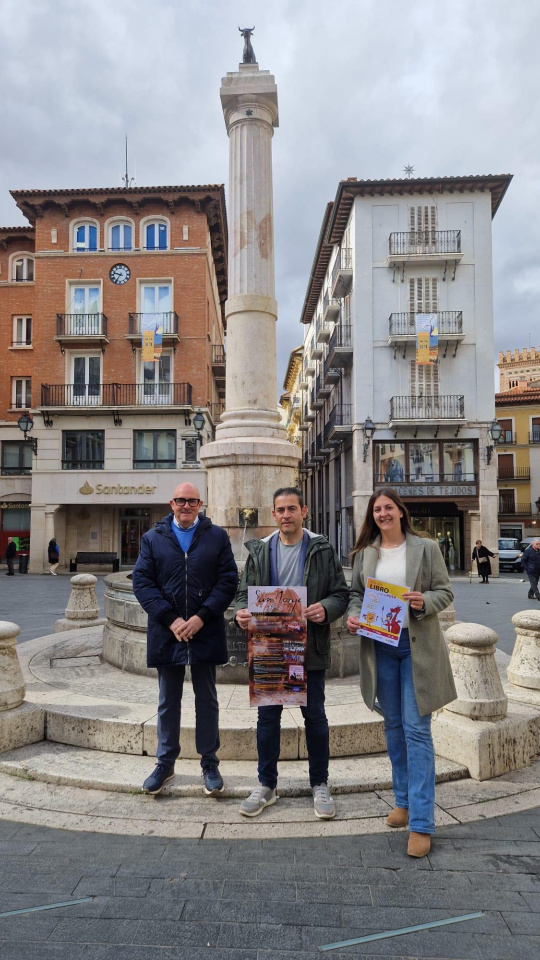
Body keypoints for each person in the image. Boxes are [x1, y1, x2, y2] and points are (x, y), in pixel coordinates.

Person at [346, 487, 455, 859]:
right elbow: (356, 594)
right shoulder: (366, 553)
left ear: (401, 511)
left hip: (415, 647)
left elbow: (445, 592)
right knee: (393, 725)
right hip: (381, 647)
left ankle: (421, 823)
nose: (383, 514)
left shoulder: (426, 548)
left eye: (388, 507)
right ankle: (403, 801)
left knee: (416, 729)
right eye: (377, 509)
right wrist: (354, 616)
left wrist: (424, 601)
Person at [234, 486, 349, 820]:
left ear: (304, 511)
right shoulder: (260, 550)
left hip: (308, 645)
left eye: (292, 509)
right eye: (281, 510)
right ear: (274, 514)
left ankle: (320, 784)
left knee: (315, 717)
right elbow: (242, 594)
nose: (286, 515)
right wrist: (241, 612)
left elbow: (340, 594)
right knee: (268, 719)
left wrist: (325, 609)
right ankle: (266, 785)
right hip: (270, 645)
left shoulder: (321, 548)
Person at [132, 482, 238, 797]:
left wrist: (201, 616)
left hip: (205, 629)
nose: (186, 506)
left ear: (200, 504)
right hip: (168, 631)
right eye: (181, 500)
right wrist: (172, 619)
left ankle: (209, 764)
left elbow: (228, 580)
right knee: (168, 700)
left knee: (207, 699)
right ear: (172, 503)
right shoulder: (153, 538)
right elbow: (142, 581)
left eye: (192, 501)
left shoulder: (217, 536)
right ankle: (165, 764)